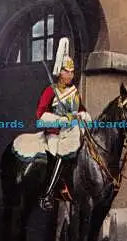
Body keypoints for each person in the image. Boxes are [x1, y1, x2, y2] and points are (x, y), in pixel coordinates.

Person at [36, 38, 91, 209]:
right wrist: (60, 120)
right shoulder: (50, 91)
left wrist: (82, 116)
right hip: (55, 133)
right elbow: (40, 116)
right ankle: (47, 194)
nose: (70, 75)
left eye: (72, 72)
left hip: (73, 131)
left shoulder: (74, 92)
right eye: (67, 71)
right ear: (60, 72)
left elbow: (81, 109)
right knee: (60, 153)